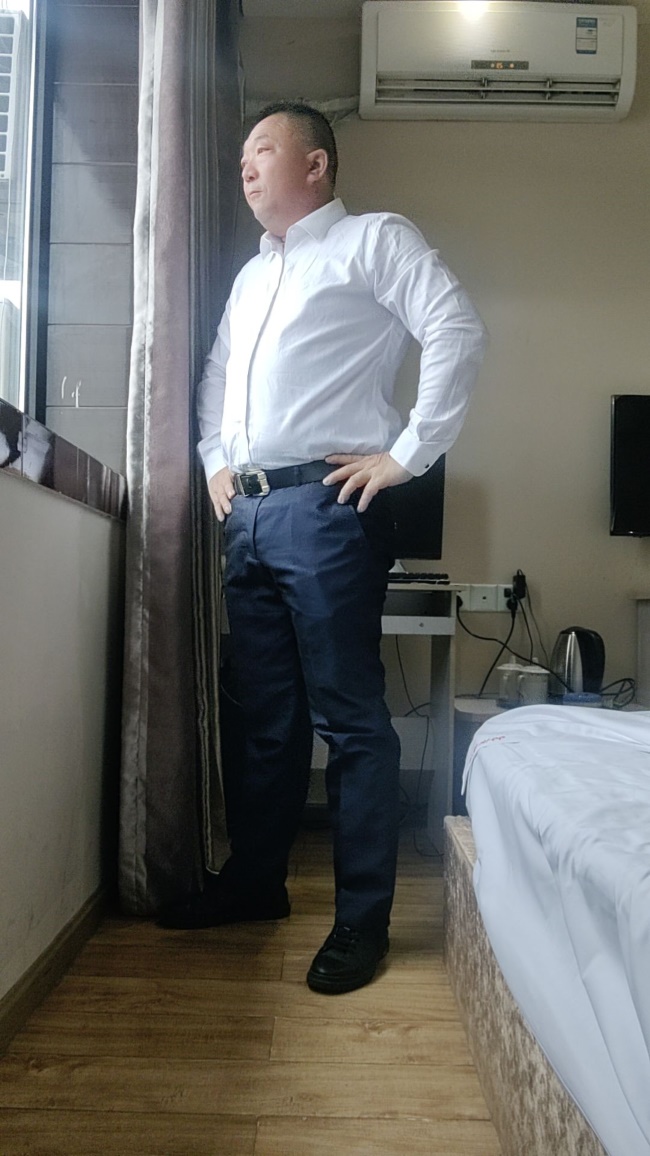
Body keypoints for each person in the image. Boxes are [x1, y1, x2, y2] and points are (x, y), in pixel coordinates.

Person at [159, 101, 487, 995]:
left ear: (316, 165)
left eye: (263, 149)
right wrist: (216, 462)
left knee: (349, 720)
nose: (245, 166)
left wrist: (408, 454)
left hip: (329, 509)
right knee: (264, 718)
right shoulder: (250, 277)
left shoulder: (373, 240)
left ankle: (361, 920)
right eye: (240, 156)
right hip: (251, 516)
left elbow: (455, 326)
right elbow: (218, 376)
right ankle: (255, 885)